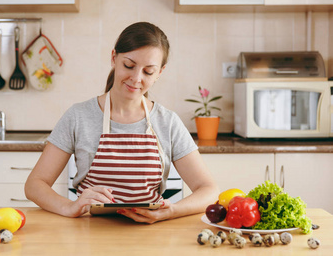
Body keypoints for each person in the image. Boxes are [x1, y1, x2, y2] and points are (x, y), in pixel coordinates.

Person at [24, 22, 219, 224]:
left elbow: (209, 190)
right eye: (129, 65)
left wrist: (172, 211)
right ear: (113, 58)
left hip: (151, 236)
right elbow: (35, 185)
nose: (136, 78)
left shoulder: (167, 122)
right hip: (89, 233)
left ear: (160, 72)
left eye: (148, 72)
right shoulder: (78, 116)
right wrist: (69, 207)